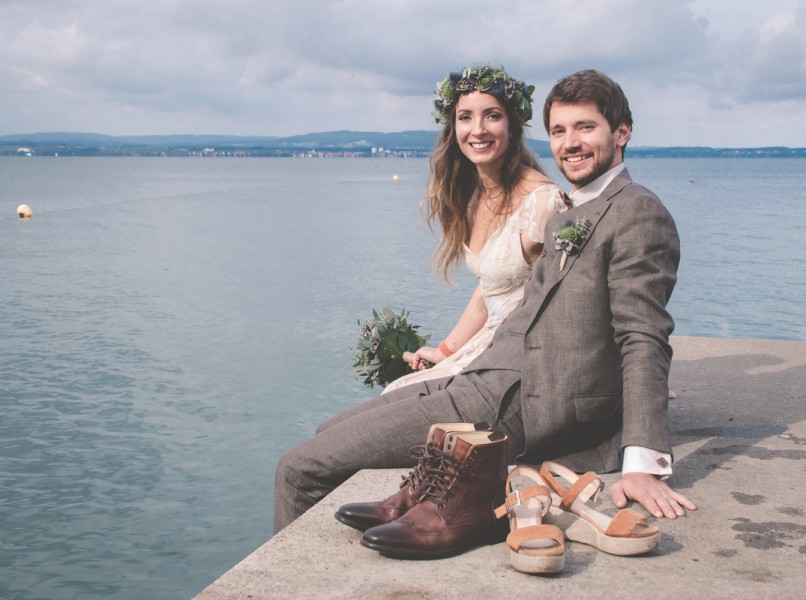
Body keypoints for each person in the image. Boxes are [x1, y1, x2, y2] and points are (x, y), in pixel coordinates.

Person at [274, 69, 697, 535]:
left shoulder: (635, 209)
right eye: (559, 130)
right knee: (327, 431)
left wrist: (643, 461)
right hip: (481, 373)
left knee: (298, 469)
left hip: (517, 401)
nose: (569, 143)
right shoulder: (576, 209)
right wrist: (451, 354)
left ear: (621, 132)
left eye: (585, 127)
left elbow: (642, 334)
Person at [382, 65, 569, 394]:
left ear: (512, 126)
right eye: (465, 117)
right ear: (453, 128)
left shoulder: (543, 203)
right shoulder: (471, 198)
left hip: (518, 359)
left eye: (492, 116)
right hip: (485, 345)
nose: (478, 130)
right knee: (396, 391)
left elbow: (570, 300)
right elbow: (491, 290)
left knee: (402, 400)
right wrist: (445, 350)